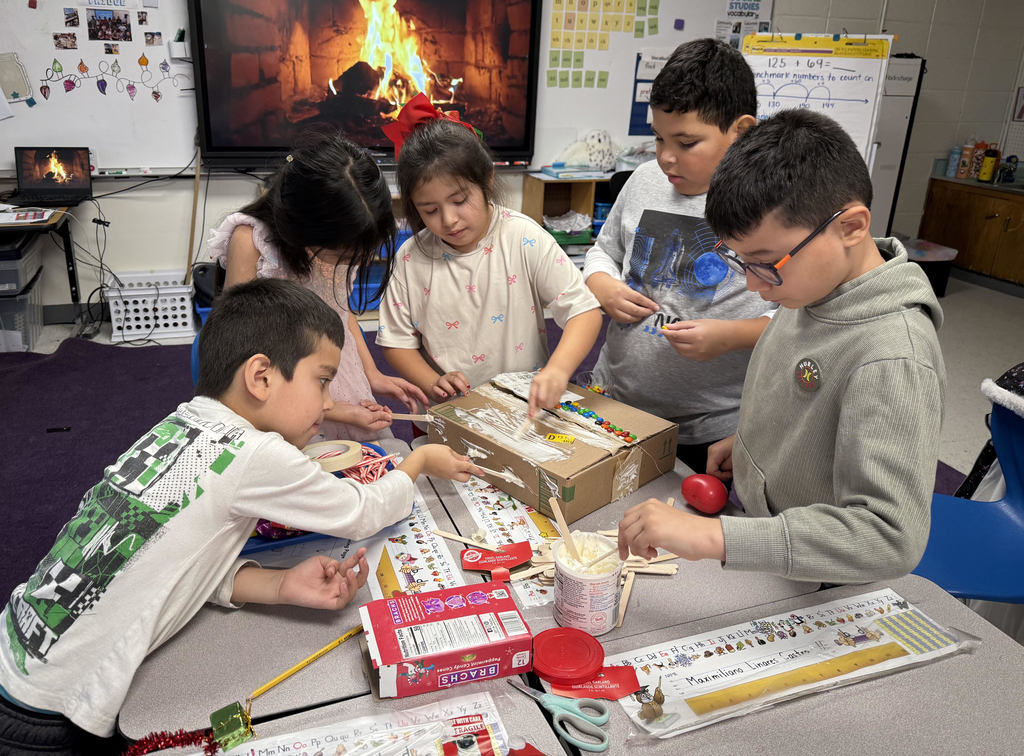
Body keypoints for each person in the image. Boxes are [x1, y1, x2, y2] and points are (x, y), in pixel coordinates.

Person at [0, 279, 480, 751]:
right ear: (261, 377)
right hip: (51, 710)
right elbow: (360, 511)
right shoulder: (254, 452)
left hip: (16, 657)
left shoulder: (181, 424)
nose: (330, 402)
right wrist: (418, 461)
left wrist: (275, 585)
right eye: (323, 380)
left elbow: (167, 557)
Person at [617, 109, 947, 586]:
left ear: (851, 227)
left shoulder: (893, 355)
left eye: (767, 263)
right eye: (741, 262)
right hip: (765, 538)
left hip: (819, 578)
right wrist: (757, 442)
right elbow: (808, 403)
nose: (754, 283)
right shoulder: (810, 284)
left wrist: (716, 539)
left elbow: (890, 536)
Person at [583, 38, 775, 474]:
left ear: (741, 132)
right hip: (614, 398)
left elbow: (802, 315)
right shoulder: (645, 180)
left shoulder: (771, 205)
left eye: (687, 143)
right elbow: (603, 251)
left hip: (708, 427)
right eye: (658, 138)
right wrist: (603, 285)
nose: (667, 157)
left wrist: (733, 335)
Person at [376, 93, 603, 417]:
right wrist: (432, 380)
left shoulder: (523, 237)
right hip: (452, 412)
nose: (449, 219)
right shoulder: (410, 259)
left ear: (486, 181)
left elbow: (585, 312)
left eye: (459, 200)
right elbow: (396, 342)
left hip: (524, 407)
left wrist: (557, 371)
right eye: (430, 210)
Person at [208, 129, 428, 442]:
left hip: (337, 373)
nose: (351, 262)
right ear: (302, 228)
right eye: (343, 254)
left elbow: (342, 312)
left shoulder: (335, 240)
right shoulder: (251, 241)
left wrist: (372, 374)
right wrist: (335, 410)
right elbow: (239, 350)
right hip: (281, 389)